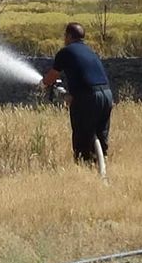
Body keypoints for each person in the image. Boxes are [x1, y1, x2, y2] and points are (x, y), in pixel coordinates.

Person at [42, 22, 114, 164]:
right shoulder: (90, 51)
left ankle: (85, 173)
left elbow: (51, 77)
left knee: (82, 141)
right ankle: (101, 168)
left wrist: (43, 84)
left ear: (68, 36)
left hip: (88, 97)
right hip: (106, 95)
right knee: (100, 136)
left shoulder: (65, 52)